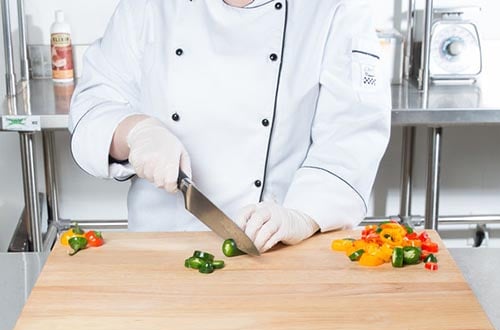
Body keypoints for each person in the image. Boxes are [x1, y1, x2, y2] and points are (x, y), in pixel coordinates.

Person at [69, 0, 391, 253]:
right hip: (157, 251)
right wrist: (134, 132)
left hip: (275, 251)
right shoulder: (148, 6)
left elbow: (352, 135)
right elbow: (93, 106)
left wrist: (303, 214)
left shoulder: (336, 9)